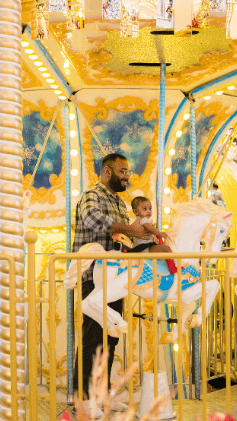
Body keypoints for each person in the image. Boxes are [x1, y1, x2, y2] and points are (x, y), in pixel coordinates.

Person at [72, 153, 148, 408]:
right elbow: (92, 219)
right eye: (122, 171)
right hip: (94, 274)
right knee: (93, 335)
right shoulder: (92, 195)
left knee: (110, 336)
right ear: (107, 172)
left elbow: (125, 237)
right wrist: (128, 229)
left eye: (128, 172)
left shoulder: (119, 202)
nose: (127, 176)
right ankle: (82, 398)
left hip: (115, 276)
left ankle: (101, 394)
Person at [130, 196, 176, 272]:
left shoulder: (140, 220)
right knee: (167, 248)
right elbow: (150, 228)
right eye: (145, 209)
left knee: (163, 247)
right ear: (135, 212)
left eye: (150, 208)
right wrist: (159, 233)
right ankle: (172, 267)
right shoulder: (143, 219)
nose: (148, 211)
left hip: (145, 247)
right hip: (145, 248)